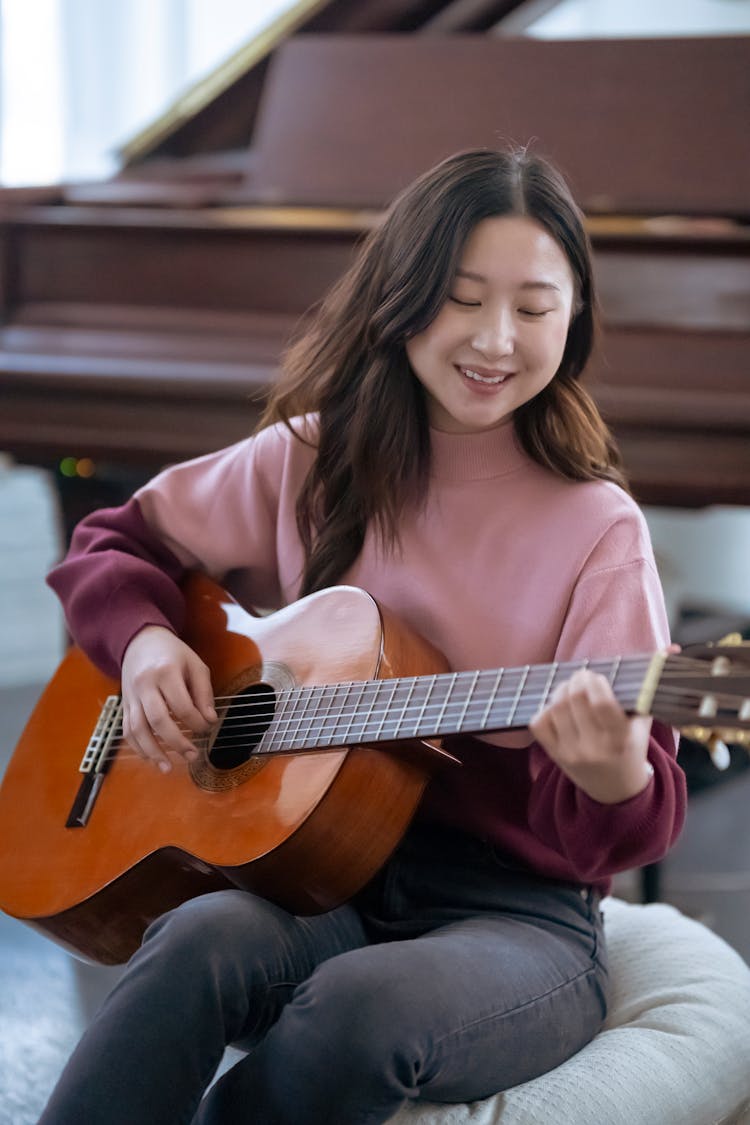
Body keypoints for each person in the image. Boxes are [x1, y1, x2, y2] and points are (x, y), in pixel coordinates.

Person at [40, 146, 687, 1125]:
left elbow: (629, 813)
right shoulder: (311, 457)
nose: (497, 337)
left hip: (516, 918)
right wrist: (144, 643)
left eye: (535, 305)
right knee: (197, 938)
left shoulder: (599, 527)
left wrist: (612, 780)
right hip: (319, 881)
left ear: (576, 318)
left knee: (358, 1008)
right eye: (463, 297)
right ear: (403, 296)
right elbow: (117, 539)